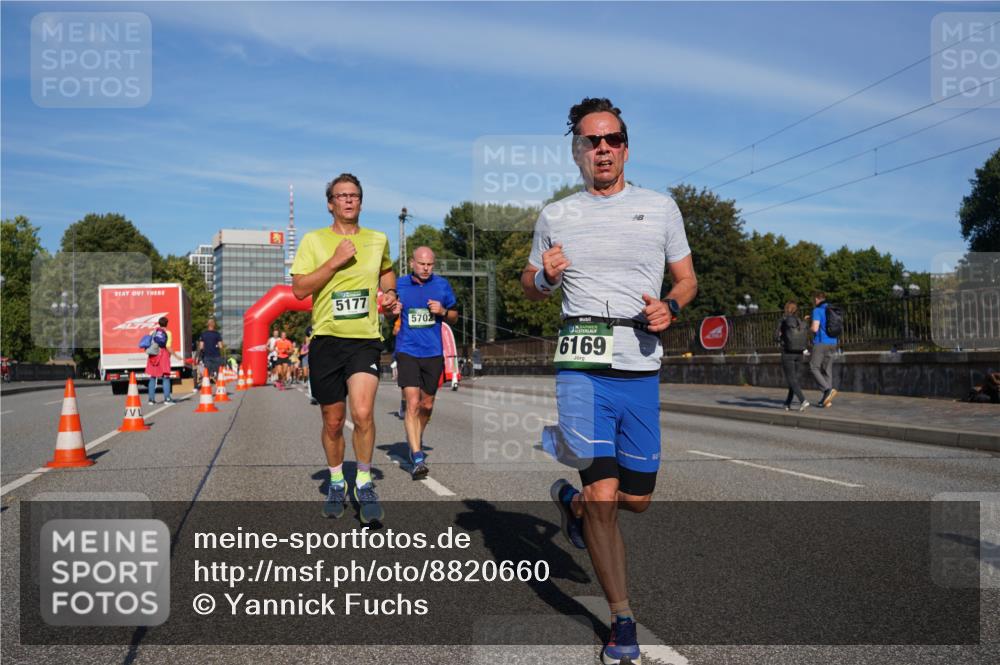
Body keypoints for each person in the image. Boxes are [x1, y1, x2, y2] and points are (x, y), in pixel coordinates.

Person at [521, 97, 697, 665]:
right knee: (604, 496)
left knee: (636, 500)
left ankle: (569, 504)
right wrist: (544, 279)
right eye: (592, 140)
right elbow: (529, 283)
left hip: (640, 361)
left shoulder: (661, 207)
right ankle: (622, 620)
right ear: (576, 150)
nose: (603, 148)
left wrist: (671, 304)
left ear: (626, 146)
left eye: (613, 139)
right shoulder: (556, 216)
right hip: (581, 360)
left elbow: (688, 280)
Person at [291, 173, 397, 523]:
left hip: (364, 339)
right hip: (326, 339)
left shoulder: (378, 239)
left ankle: (364, 481)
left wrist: (390, 294)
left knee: (363, 413)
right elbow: (300, 290)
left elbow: (386, 273)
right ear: (330, 203)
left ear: (361, 202)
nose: (348, 200)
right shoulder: (313, 241)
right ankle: (338, 481)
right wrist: (335, 260)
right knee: (333, 421)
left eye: (354, 195)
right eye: (341, 195)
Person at [390, 246, 458, 479]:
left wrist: (443, 311)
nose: (426, 268)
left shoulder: (441, 285)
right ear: (412, 263)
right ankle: (417, 456)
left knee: (427, 405)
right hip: (407, 350)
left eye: (430, 264)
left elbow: (455, 316)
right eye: (421, 264)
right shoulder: (399, 285)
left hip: (432, 352)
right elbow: (386, 312)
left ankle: (415, 438)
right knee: (412, 403)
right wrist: (392, 311)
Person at [776, 302, 810, 411]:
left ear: (786, 309)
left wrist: (781, 336)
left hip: (788, 353)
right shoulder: (800, 321)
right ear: (796, 310)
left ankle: (803, 400)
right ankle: (787, 403)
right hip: (800, 353)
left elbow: (775, 337)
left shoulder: (783, 320)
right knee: (794, 379)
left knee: (791, 379)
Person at [809, 291, 839, 407]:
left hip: (821, 342)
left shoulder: (817, 310)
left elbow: (815, 328)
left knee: (813, 367)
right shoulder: (831, 309)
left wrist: (809, 326)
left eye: (814, 300)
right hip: (833, 342)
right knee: (827, 370)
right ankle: (827, 400)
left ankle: (827, 390)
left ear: (817, 299)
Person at [145, 316, 177, 405]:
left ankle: (151, 400)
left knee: (152, 377)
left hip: (153, 355)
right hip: (163, 355)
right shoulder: (168, 333)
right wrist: (174, 355)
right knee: (165, 377)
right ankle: (167, 399)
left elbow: (149, 343)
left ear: (159, 323)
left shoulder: (153, 332)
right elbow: (168, 346)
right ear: (167, 323)